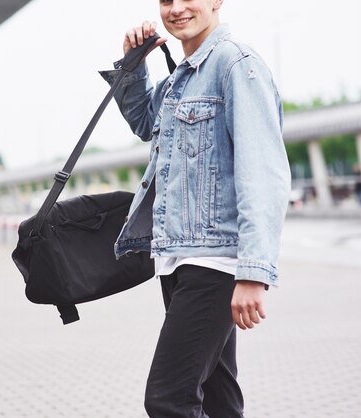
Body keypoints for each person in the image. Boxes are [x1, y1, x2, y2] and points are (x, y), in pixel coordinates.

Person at [99, 1, 291, 416]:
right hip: (178, 260)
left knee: (169, 399)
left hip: (215, 264)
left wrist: (253, 273)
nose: (177, 8)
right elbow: (144, 123)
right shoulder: (180, 79)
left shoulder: (237, 65)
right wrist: (134, 65)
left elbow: (263, 172)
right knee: (219, 401)